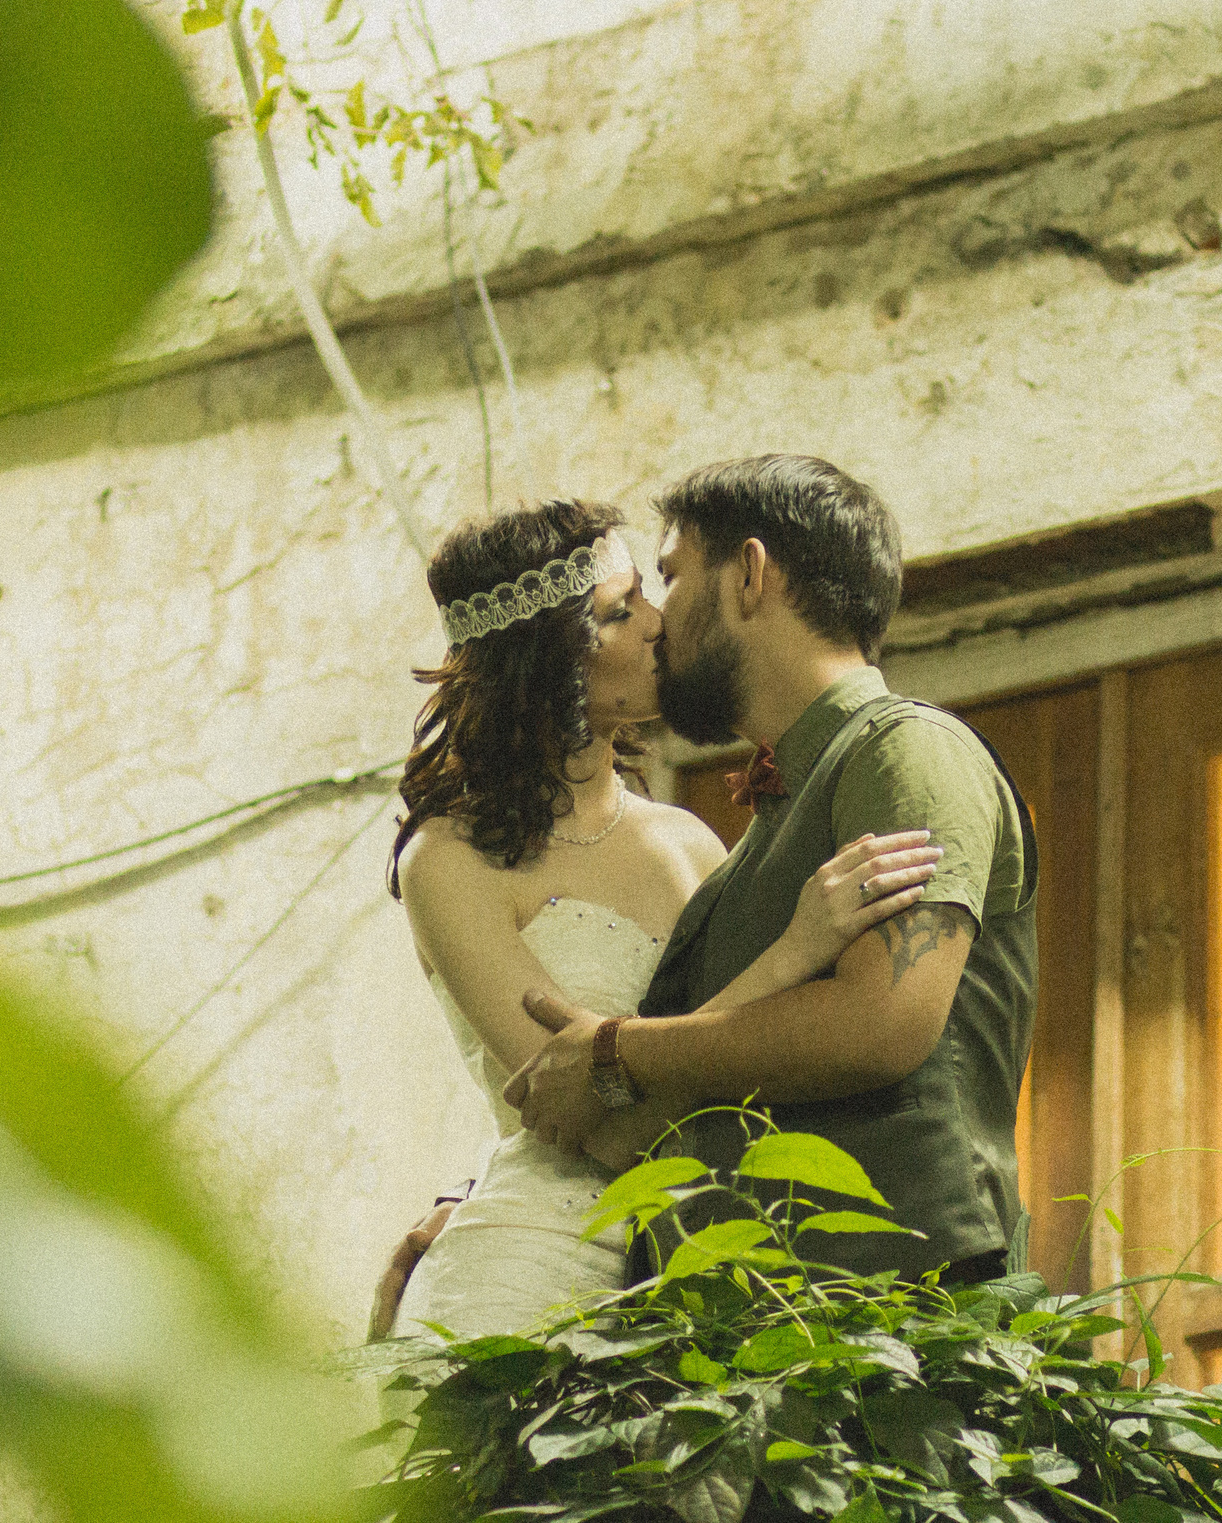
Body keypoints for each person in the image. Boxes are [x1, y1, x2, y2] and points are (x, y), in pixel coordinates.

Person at [374, 497, 942, 1340]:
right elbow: (593, 1128)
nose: (656, 622)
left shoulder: (689, 839)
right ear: (547, 659)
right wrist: (793, 950)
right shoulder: (449, 860)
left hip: (688, 1281)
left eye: (647, 592)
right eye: (619, 609)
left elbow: (742, 1066)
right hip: (524, 1273)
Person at [503, 455, 1038, 1285]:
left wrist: (617, 1051)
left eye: (671, 578)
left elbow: (882, 1022)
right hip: (756, 1338)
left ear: (750, 574)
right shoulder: (756, 837)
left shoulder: (903, 748)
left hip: (899, 1321)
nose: (654, 621)